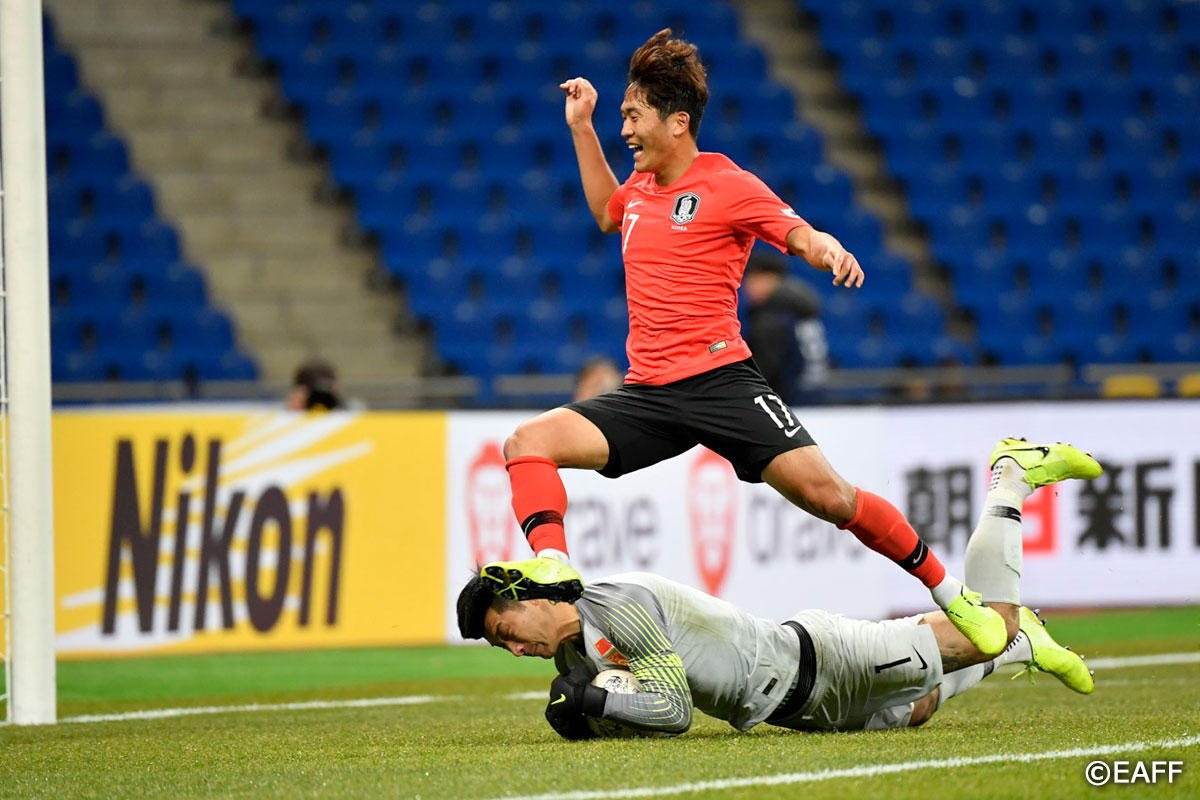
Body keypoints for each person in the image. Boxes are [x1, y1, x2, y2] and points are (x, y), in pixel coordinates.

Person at [479, 30, 1089, 657]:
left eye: (633, 116)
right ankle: (556, 566)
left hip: (722, 383)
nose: (625, 130)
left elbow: (796, 233)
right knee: (527, 443)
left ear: (678, 122)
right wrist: (581, 127)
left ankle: (951, 594)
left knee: (832, 498)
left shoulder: (727, 184)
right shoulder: (638, 190)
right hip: (649, 396)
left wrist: (829, 250)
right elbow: (607, 212)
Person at [458, 439, 1099, 739]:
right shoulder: (575, 655)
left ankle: (1010, 476)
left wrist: (594, 701)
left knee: (992, 627)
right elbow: (640, 711)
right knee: (921, 707)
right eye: (501, 647)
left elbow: (674, 712)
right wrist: (588, 723)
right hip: (797, 711)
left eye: (506, 632)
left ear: (533, 597)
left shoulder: (616, 606)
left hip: (823, 660)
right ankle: (1021, 647)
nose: (513, 650)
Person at [742, 253, 829, 405]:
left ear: (772, 279)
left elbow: (766, 370)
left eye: (754, 279)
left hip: (784, 400)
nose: (747, 286)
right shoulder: (798, 308)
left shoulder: (770, 317)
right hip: (812, 395)